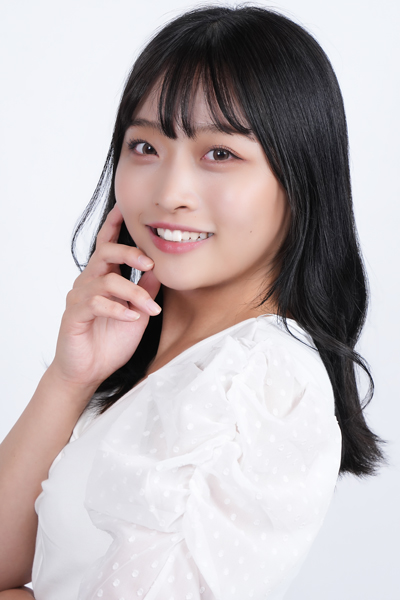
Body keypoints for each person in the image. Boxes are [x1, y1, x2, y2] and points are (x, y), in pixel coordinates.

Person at [0, 5, 386, 599]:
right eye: (145, 146)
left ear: (300, 177)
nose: (169, 192)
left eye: (220, 154)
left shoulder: (257, 380)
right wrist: (70, 379)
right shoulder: (163, 357)